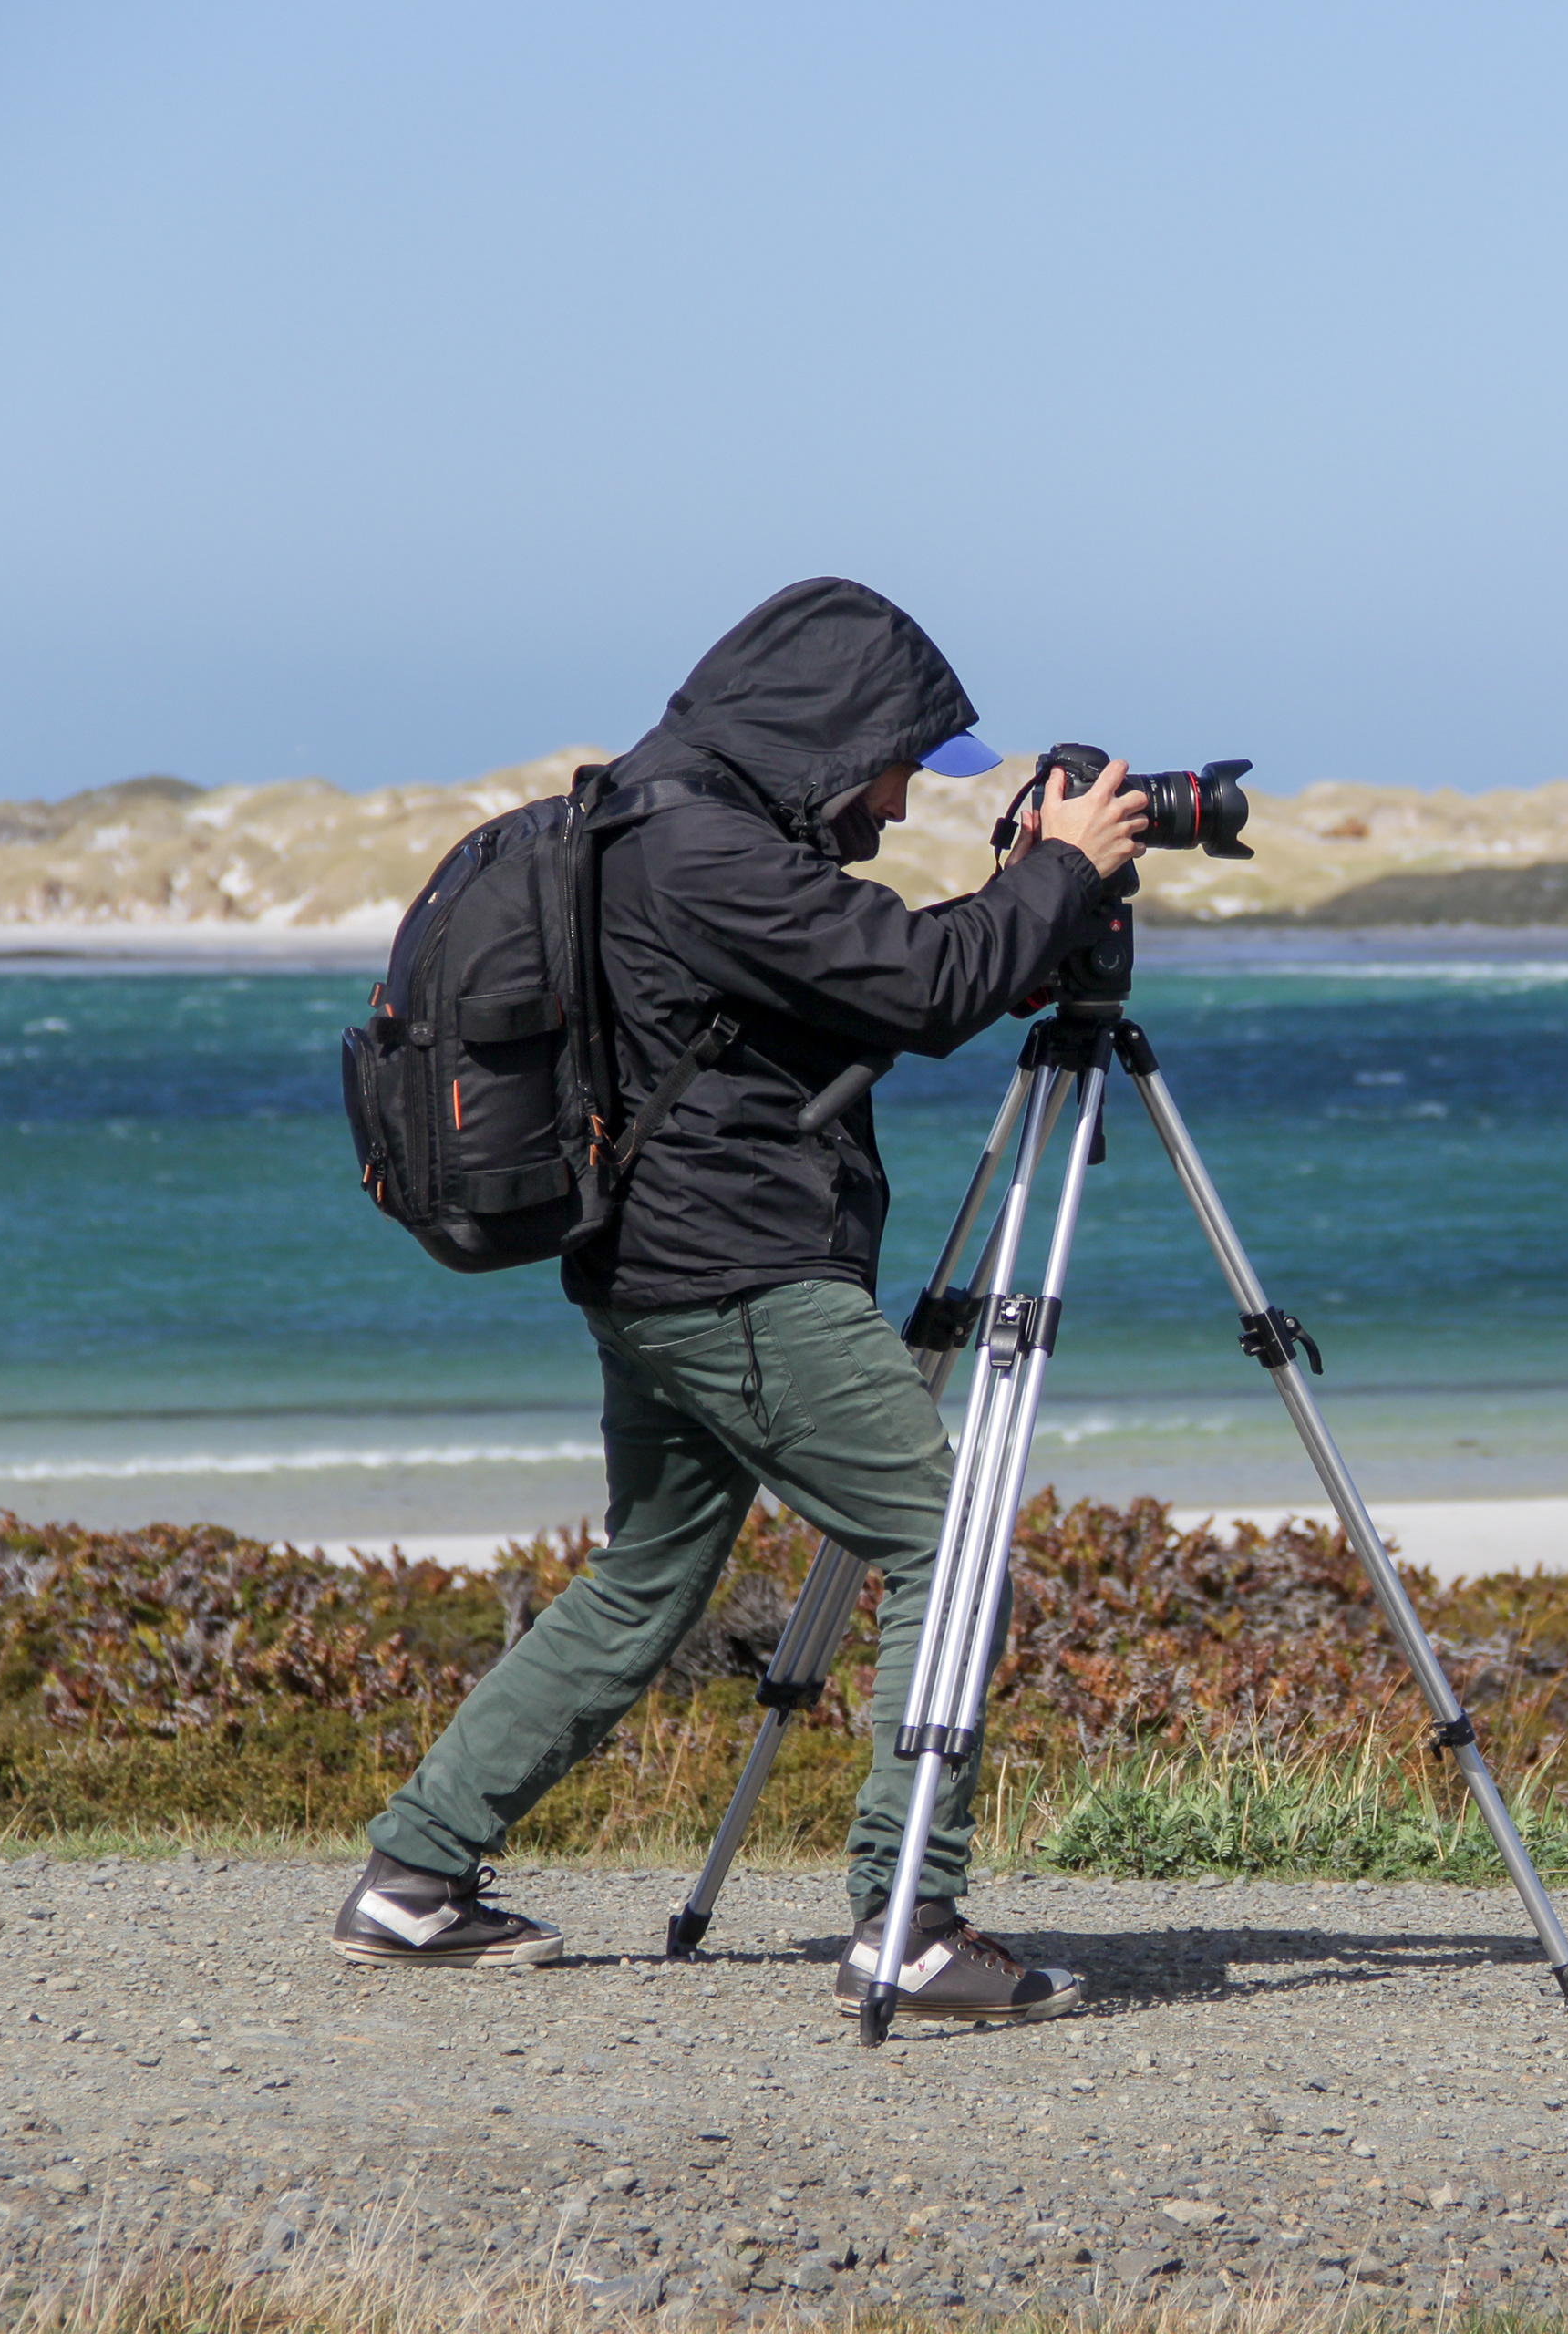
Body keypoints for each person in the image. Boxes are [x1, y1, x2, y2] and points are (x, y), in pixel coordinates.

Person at [327, 577, 1145, 2022]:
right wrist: (1060, 874)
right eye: (896, 764)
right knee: (945, 1552)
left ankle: (414, 1877)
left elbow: (864, 976)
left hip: (656, 1266)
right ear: (829, 737)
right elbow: (923, 985)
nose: (896, 804)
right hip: (742, 1276)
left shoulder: (654, 822)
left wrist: (1028, 897)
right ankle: (911, 1923)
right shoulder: (703, 849)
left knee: (643, 1577)